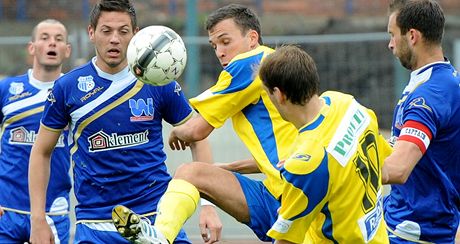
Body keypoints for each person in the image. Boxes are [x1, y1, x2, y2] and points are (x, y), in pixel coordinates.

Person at [28, 1, 217, 244]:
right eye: (106, 31)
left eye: (123, 31)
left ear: (136, 35)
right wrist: (38, 219)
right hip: (97, 226)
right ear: (91, 33)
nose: (115, 39)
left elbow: (198, 138)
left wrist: (208, 205)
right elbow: (41, 152)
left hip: (157, 222)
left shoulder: (158, 81)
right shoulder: (68, 87)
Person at [112, 4, 300, 244]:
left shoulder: (251, 65)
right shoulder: (274, 62)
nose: (219, 52)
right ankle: (158, 237)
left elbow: (196, 130)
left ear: (252, 38)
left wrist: (178, 131)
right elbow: (281, 155)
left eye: (225, 41)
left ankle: (161, 234)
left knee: (189, 172)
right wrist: (230, 167)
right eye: (214, 46)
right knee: (193, 173)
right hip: (282, 188)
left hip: (294, 197)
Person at [259, 45, 392, 243]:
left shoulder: (306, 164)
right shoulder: (347, 104)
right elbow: (382, 167)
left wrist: (301, 177)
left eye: (267, 93)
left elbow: (286, 240)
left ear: (279, 95)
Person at [383, 0, 460, 243]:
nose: (390, 44)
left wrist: (333, 166)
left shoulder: (429, 96)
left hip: (412, 233)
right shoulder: (442, 80)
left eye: (393, 35)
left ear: (412, 36)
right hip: (412, 222)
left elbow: (398, 169)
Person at [0, 19, 72, 243]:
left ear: (67, 50)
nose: (52, 43)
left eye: (59, 39)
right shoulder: (7, 89)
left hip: (53, 212)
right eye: (45, 38)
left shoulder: (74, 94)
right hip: (6, 210)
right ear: (31, 47)